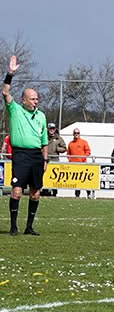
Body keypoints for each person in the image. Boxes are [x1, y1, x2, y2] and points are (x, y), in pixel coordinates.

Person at [2, 55, 48, 235]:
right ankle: (13, 226)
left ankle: (29, 227)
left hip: (37, 156)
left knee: (36, 193)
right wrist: (10, 74)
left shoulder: (42, 116)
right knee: (17, 191)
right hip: (21, 155)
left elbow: (44, 140)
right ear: (24, 100)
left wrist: (45, 159)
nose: (36, 101)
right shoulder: (15, 110)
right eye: (32, 99)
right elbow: (5, 92)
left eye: (37, 99)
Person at [67, 128, 94, 198]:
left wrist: (83, 158)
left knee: (84, 180)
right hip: (74, 165)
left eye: (78, 133)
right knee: (76, 181)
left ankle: (89, 193)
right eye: (75, 133)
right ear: (73, 134)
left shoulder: (84, 142)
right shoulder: (70, 143)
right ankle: (77, 195)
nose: (76, 134)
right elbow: (68, 153)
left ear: (79, 134)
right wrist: (70, 160)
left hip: (82, 165)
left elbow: (88, 151)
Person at [44, 123, 67, 196]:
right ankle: (45, 191)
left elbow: (64, 148)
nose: (52, 130)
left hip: (55, 159)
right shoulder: (44, 137)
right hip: (46, 159)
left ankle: (54, 192)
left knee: (54, 176)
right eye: (50, 128)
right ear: (47, 129)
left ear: (55, 129)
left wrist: (57, 149)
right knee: (45, 175)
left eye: (53, 128)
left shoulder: (59, 138)